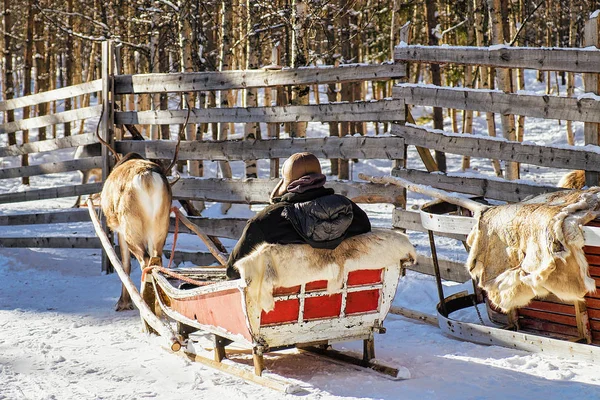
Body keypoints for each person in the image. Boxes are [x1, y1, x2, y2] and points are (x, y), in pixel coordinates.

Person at [226, 152, 371, 280]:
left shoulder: (266, 221)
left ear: (288, 182)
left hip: (281, 303)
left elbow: (234, 272)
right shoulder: (351, 211)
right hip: (341, 294)